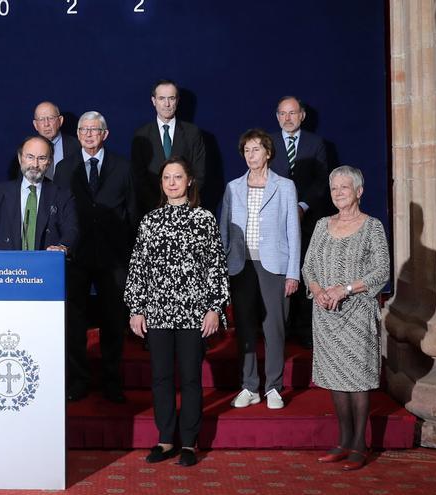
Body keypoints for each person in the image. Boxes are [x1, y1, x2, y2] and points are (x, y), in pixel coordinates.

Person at [125, 157, 229, 468]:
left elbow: (216, 266)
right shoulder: (150, 221)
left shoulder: (204, 219)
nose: (172, 182)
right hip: (156, 312)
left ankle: (189, 443)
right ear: (162, 184)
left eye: (178, 176)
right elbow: (138, 267)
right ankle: (166, 439)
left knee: (191, 378)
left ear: (189, 181)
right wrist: (136, 308)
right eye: (167, 177)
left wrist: (214, 307)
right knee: (161, 377)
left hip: (193, 312)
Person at [302, 166, 389, 471]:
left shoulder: (372, 227)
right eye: (334, 188)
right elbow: (308, 267)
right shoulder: (323, 224)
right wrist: (318, 290)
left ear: (359, 192)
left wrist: (346, 289)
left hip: (356, 313)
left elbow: (381, 271)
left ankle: (360, 444)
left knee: (358, 380)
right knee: (336, 380)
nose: (338, 193)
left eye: (345, 188)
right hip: (325, 314)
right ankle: (343, 441)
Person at [54, 111, 139, 403]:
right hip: (76, 255)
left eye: (95, 130)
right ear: (77, 135)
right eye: (84, 130)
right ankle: (78, 380)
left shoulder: (123, 167)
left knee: (113, 320)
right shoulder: (64, 167)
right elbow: (59, 212)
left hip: (113, 255)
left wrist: (130, 253)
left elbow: (133, 212)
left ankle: (111, 380)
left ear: (106, 134)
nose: (89, 134)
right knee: (74, 321)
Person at [220, 128, 300, 410]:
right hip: (241, 266)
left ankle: (274, 387)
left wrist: (293, 273)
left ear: (268, 152)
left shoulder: (285, 186)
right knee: (244, 327)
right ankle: (249, 386)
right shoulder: (233, 187)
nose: (251, 155)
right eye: (247, 150)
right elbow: (224, 231)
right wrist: (223, 268)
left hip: (274, 266)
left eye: (256, 149)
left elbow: (293, 230)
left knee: (274, 328)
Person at [269, 96, 331, 348]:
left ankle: (305, 328)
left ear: (302, 115)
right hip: (274, 221)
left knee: (305, 272)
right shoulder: (268, 142)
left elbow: (321, 180)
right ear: (277, 116)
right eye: (282, 113)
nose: (287, 118)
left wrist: (302, 206)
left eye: (292, 113)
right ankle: (279, 328)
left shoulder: (316, 144)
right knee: (278, 273)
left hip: (307, 221)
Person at [0, 136, 78, 251]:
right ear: (20, 158)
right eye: (30, 157)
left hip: (45, 265)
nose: (35, 165)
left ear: (49, 161)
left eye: (41, 158)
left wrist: (62, 246)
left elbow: (71, 229)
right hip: (6, 267)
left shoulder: (62, 195)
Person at [131, 79, 207, 214]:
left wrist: (182, 204)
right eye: (161, 98)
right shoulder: (141, 135)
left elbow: (199, 174)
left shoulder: (192, 133)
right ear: (153, 101)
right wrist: (160, 207)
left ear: (177, 100)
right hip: (151, 211)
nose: (167, 104)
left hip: (187, 210)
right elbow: (138, 177)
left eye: (171, 98)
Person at [8, 101, 82, 180]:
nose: (46, 124)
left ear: (60, 121)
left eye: (51, 118)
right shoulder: (26, 148)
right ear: (35, 125)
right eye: (41, 119)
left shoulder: (77, 146)